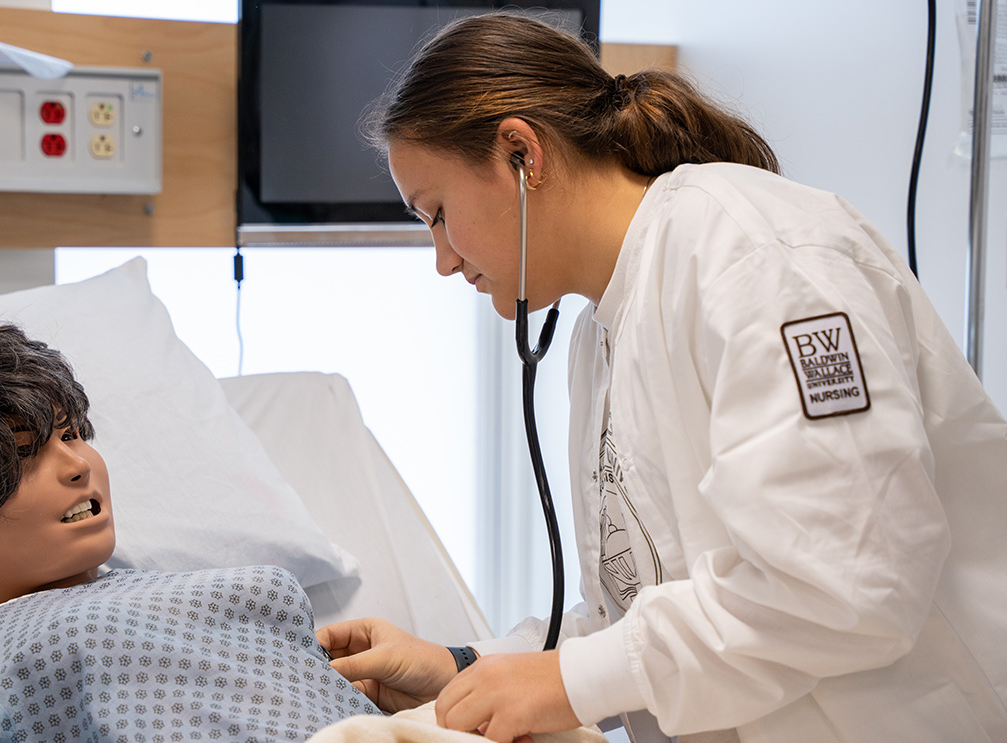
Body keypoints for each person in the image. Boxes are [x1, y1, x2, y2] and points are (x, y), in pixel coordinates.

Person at [316, 12, 1007, 743]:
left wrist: (568, 682)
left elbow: (848, 583)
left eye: (436, 214)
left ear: (521, 153)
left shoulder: (756, 258)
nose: (444, 260)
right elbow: (639, 615)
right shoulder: (604, 331)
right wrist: (462, 665)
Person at [0, 319, 381, 742]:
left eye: (70, 435)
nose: (77, 464)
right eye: (22, 456)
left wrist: (454, 666)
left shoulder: (164, 591)